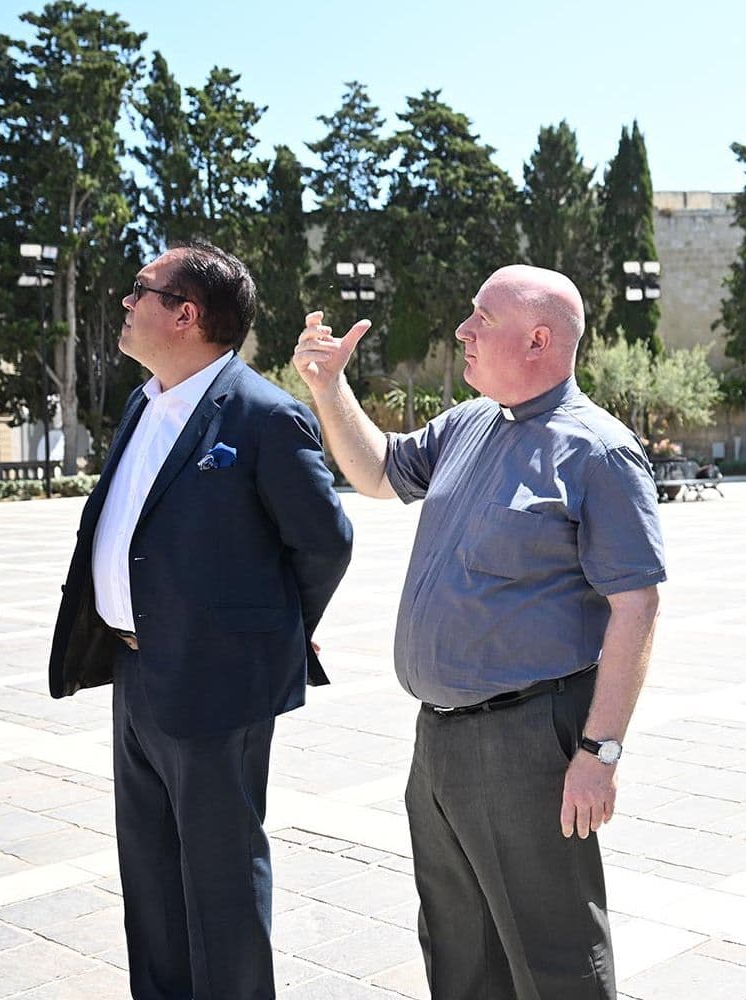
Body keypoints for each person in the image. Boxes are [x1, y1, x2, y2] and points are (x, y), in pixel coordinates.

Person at [293, 265, 664, 999]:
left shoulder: (597, 451)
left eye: (481, 319)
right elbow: (379, 474)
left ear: (538, 337)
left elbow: (637, 607)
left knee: (554, 957)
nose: (462, 331)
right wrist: (329, 390)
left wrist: (600, 752)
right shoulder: (470, 423)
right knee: (460, 951)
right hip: (440, 739)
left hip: (529, 741)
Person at [48, 241, 353, 999]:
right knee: (149, 876)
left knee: (219, 885)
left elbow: (325, 542)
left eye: (139, 291)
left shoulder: (263, 416)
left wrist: (272, 629)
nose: (125, 302)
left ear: (185, 314)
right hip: (136, 672)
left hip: (220, 684)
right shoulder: (144, 400)